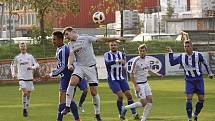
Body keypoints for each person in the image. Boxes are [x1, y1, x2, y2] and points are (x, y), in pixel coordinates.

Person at [61, 27, 124, 121]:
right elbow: (71, 55)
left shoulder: (85, 38)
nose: (66, 37)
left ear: (73, 32)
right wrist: (69, 64)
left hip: (91, 67)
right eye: (65, 35)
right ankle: (67, 106)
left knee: (93, 92)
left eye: (67, 34)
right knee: (73, 81)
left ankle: (97, 114)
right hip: (80, 67)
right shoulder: (70, 44)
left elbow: (101, 39)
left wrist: (116, 38)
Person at [166, 40, 214, 121]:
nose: (186, 48)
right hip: (189, 80)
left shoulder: (198, 55)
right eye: (185, 46)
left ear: (191, 46)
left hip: (199, 80)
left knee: (201, 100)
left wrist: (210, 73)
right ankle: (189, 118)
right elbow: (172, 63)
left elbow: (205, 63)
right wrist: (171, 53)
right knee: (188, 99)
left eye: (188, 46)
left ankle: (195, 115)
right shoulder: (182, 57)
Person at [120, 44, 163, 121]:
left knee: (150, 101)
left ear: (146, 51)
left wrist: (158, 74)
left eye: (143, 51)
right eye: (140, 51)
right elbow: (131, 74)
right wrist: (135, 85)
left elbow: (149, 71)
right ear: (138, 52)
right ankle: (125, 108)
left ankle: (143, 119)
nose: (142, 52)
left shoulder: (147, 59)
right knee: (143, 103)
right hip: (139, 84)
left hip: (146, 83)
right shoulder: (136, 61)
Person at [46, 31, 81, 121]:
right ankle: (77, 119)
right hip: (64, 77)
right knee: (67, 100)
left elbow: (63, 66)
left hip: (67, 77)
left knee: (62, 100)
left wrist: (51, 74)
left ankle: (60, 119)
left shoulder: (64, 49)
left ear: (60, 40)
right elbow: (60, 64)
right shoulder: (59, 49)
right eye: (52, 39)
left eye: (54, 39)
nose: (52, 41)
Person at [103, 41, 139, 120]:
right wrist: (117, 61)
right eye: (111, 45)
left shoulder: (121, 54)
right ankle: (121, 114)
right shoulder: (107, 54)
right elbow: (107, 63)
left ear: (117, 46)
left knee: (129, 95)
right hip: (112, 79)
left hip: (121, 78)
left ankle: (134, 113)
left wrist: (124, 66)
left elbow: (123, 64)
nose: (113, 46)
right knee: (120, 96)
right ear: (109, 46)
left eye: (114, 45)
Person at [11, 42, 39, 117]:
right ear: (19, 48)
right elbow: (12, 65)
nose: (23, 48)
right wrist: (13, 74)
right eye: (21, 46)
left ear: (26, 47)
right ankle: (24, 109)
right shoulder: (17, 57)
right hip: (21, 77)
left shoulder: (30, 56)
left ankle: (26, 108)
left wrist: (32, 67)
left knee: (28, 94)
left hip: (29, 77)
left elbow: (37, 64)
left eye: (24, 46)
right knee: (25, 93)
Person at [67, 40, 89, 113]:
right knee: (72, 91)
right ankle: (69, 107)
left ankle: (80, 105)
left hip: (81, 73)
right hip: (72, 73)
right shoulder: (68, 49)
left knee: (85, 90)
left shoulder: (80, 48)